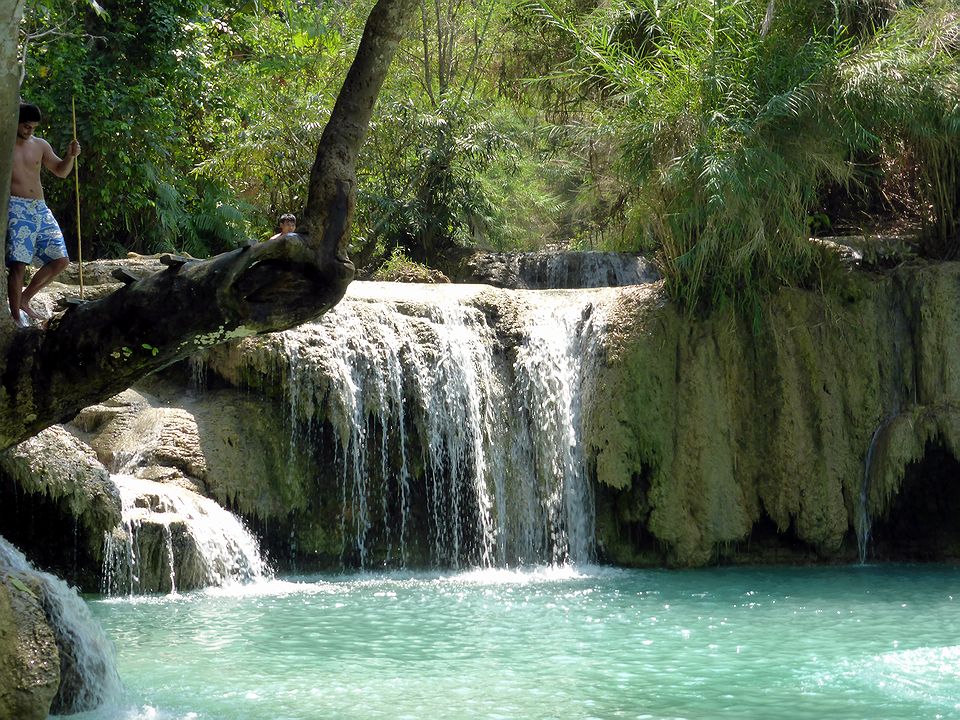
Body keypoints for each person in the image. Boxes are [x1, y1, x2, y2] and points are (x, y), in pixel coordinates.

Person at [6, 102, 80, 327]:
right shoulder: (5, 144)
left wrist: (70, 156)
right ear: (16, 122)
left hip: (39, 207)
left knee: (61, 260)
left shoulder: (40, 145)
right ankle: (16, 315)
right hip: (15, 207)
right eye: (27, 126)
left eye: (34, 128)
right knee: (19, 263)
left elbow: (61, 171)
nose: (30, 131)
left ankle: (25, 299)